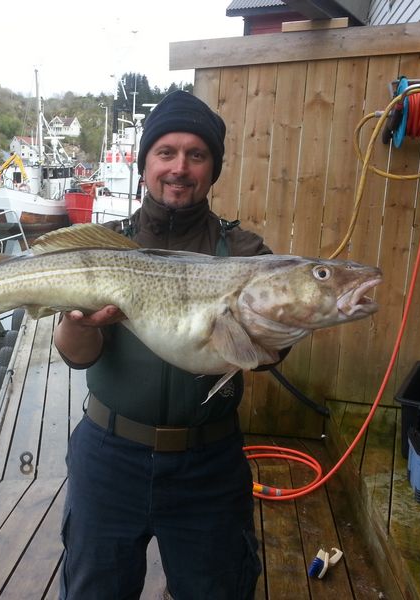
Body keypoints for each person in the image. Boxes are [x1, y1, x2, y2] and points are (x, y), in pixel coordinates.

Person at [55, 90, 280, 599]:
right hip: (108, 458)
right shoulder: (102, 249)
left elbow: (269, 355)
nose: (180, 167)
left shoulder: (245, 254)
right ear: (145, 164)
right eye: (166, 153)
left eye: (196, 155)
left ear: (212, 169)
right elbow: (77, 354)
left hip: (209, 465)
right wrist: (79, 322)